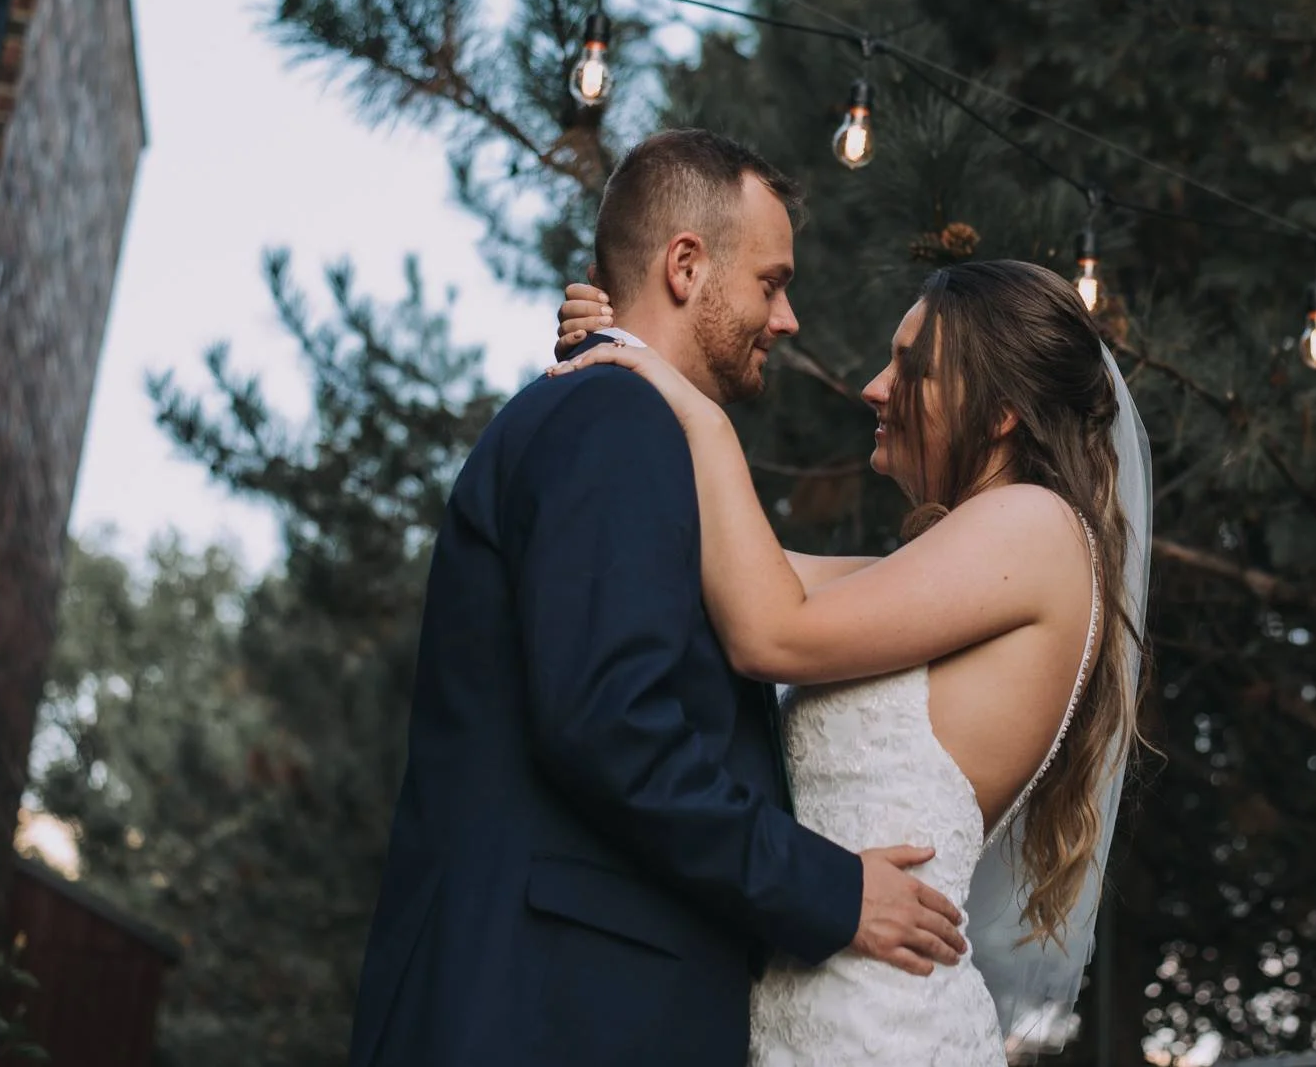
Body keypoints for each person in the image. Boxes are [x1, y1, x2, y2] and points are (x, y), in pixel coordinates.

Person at [346, 129, 969, 1067]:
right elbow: (609, 722)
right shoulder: (613, 419)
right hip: (546, 1014)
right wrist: (830, 891)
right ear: (686, 264)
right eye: (771, 281)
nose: (788, 317)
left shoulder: (624, 418)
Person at [551, 251, 1152, 1064]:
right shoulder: (959, 565)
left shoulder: (1038, 525)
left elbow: (770, 631)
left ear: (1002, 408)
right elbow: (734, 564)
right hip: (820, 1007)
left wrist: (697, 412)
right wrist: (627, 357)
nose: (874, 386)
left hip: (880, 1026)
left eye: (911, 366)